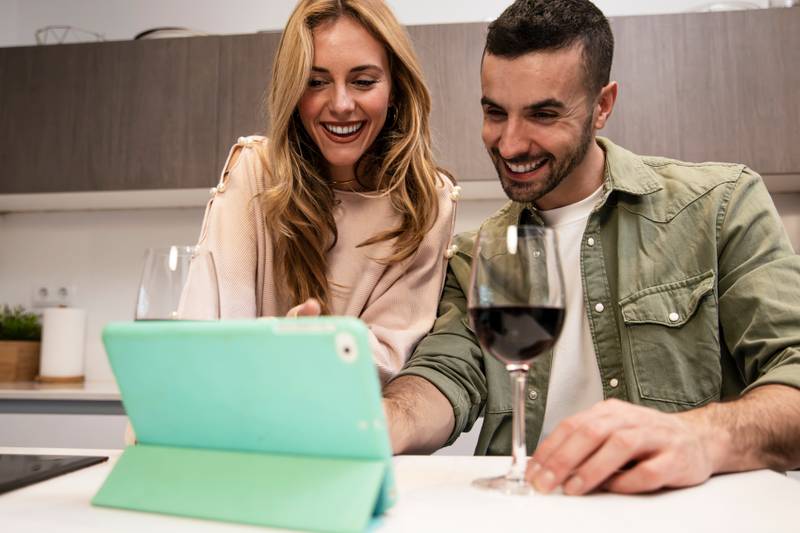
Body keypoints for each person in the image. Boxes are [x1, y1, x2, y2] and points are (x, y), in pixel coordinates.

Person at [383, 0, 800, 495]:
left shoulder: (721, 207)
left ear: (602, 105)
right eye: (496, 112)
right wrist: (380, 423)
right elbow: (444, 375)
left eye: (543, 114)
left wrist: (701, 435)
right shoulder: (477, 253)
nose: (511, 144)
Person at [180, 0, 459, 382]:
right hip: (240, 425)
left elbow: (388, 357)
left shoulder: (427, 201)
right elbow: (206, 328)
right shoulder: (256, 171)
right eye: (315, 82)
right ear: (293, 93)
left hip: (348, 430)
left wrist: (316, 345)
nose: (341, 105)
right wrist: (284, 346)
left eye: (363, 81)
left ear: (394, 88)